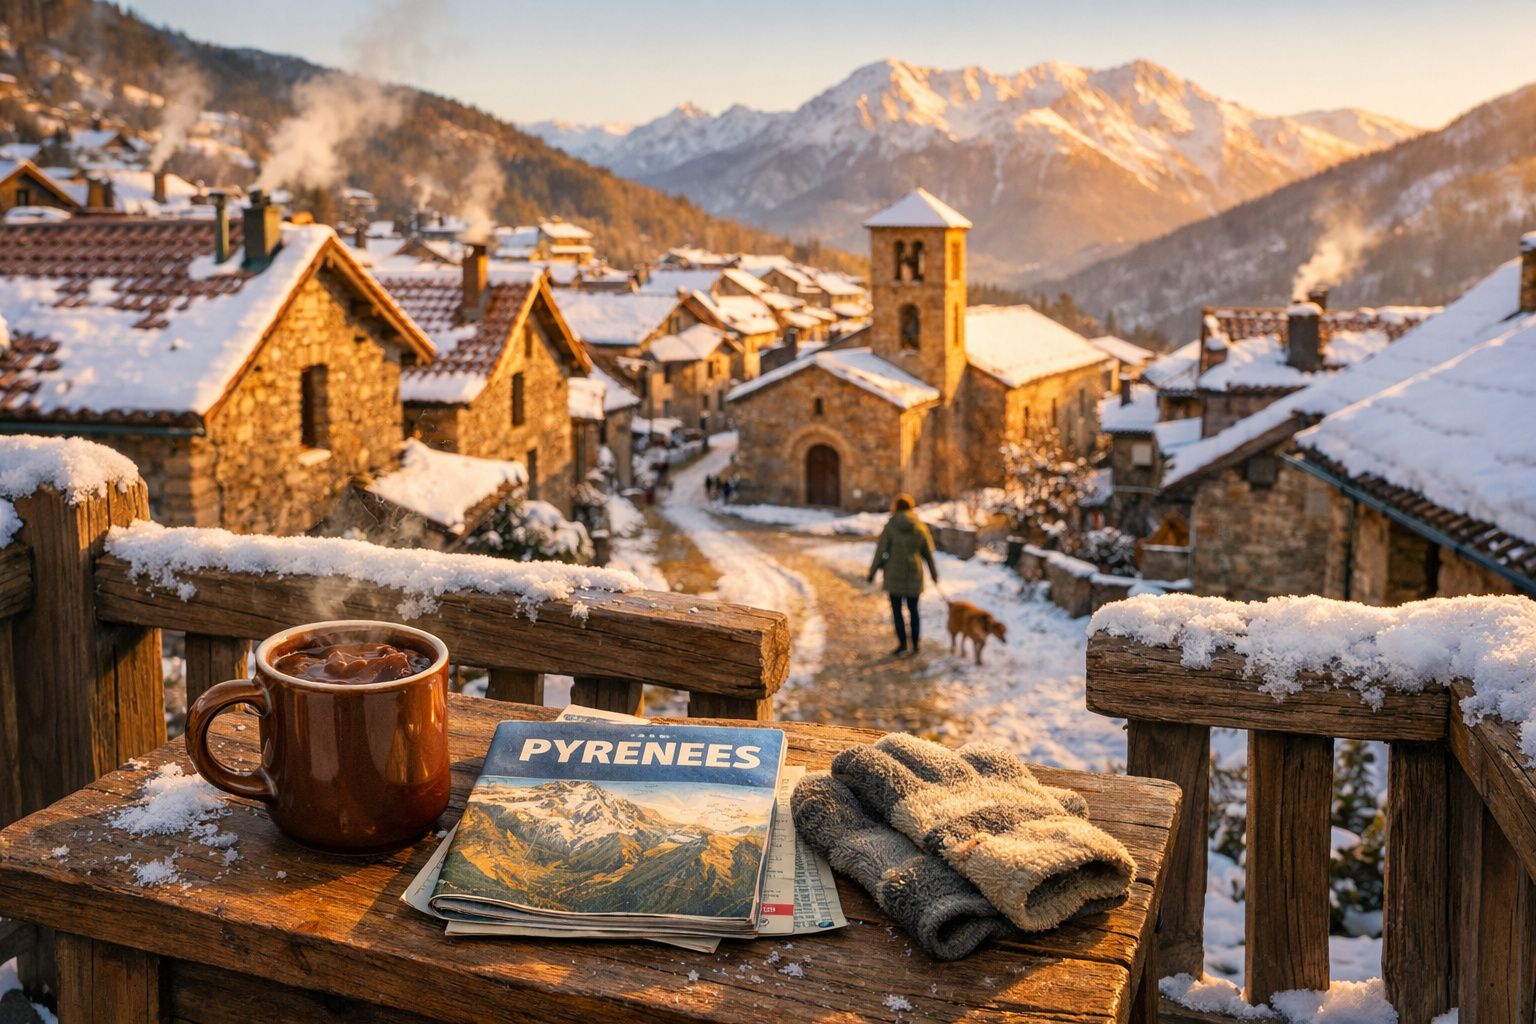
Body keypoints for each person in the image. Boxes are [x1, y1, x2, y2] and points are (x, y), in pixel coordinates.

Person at [867, 494, 938, 657]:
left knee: (897, 612)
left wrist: (872, 572)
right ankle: (916, 645)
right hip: (914, 574)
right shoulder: (920, 526)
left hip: (894, 575)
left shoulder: (891, 525)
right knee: (914, 611)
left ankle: (902, 645)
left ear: (896, 507)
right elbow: (928, 553)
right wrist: (934, 575)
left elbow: (880, 551)